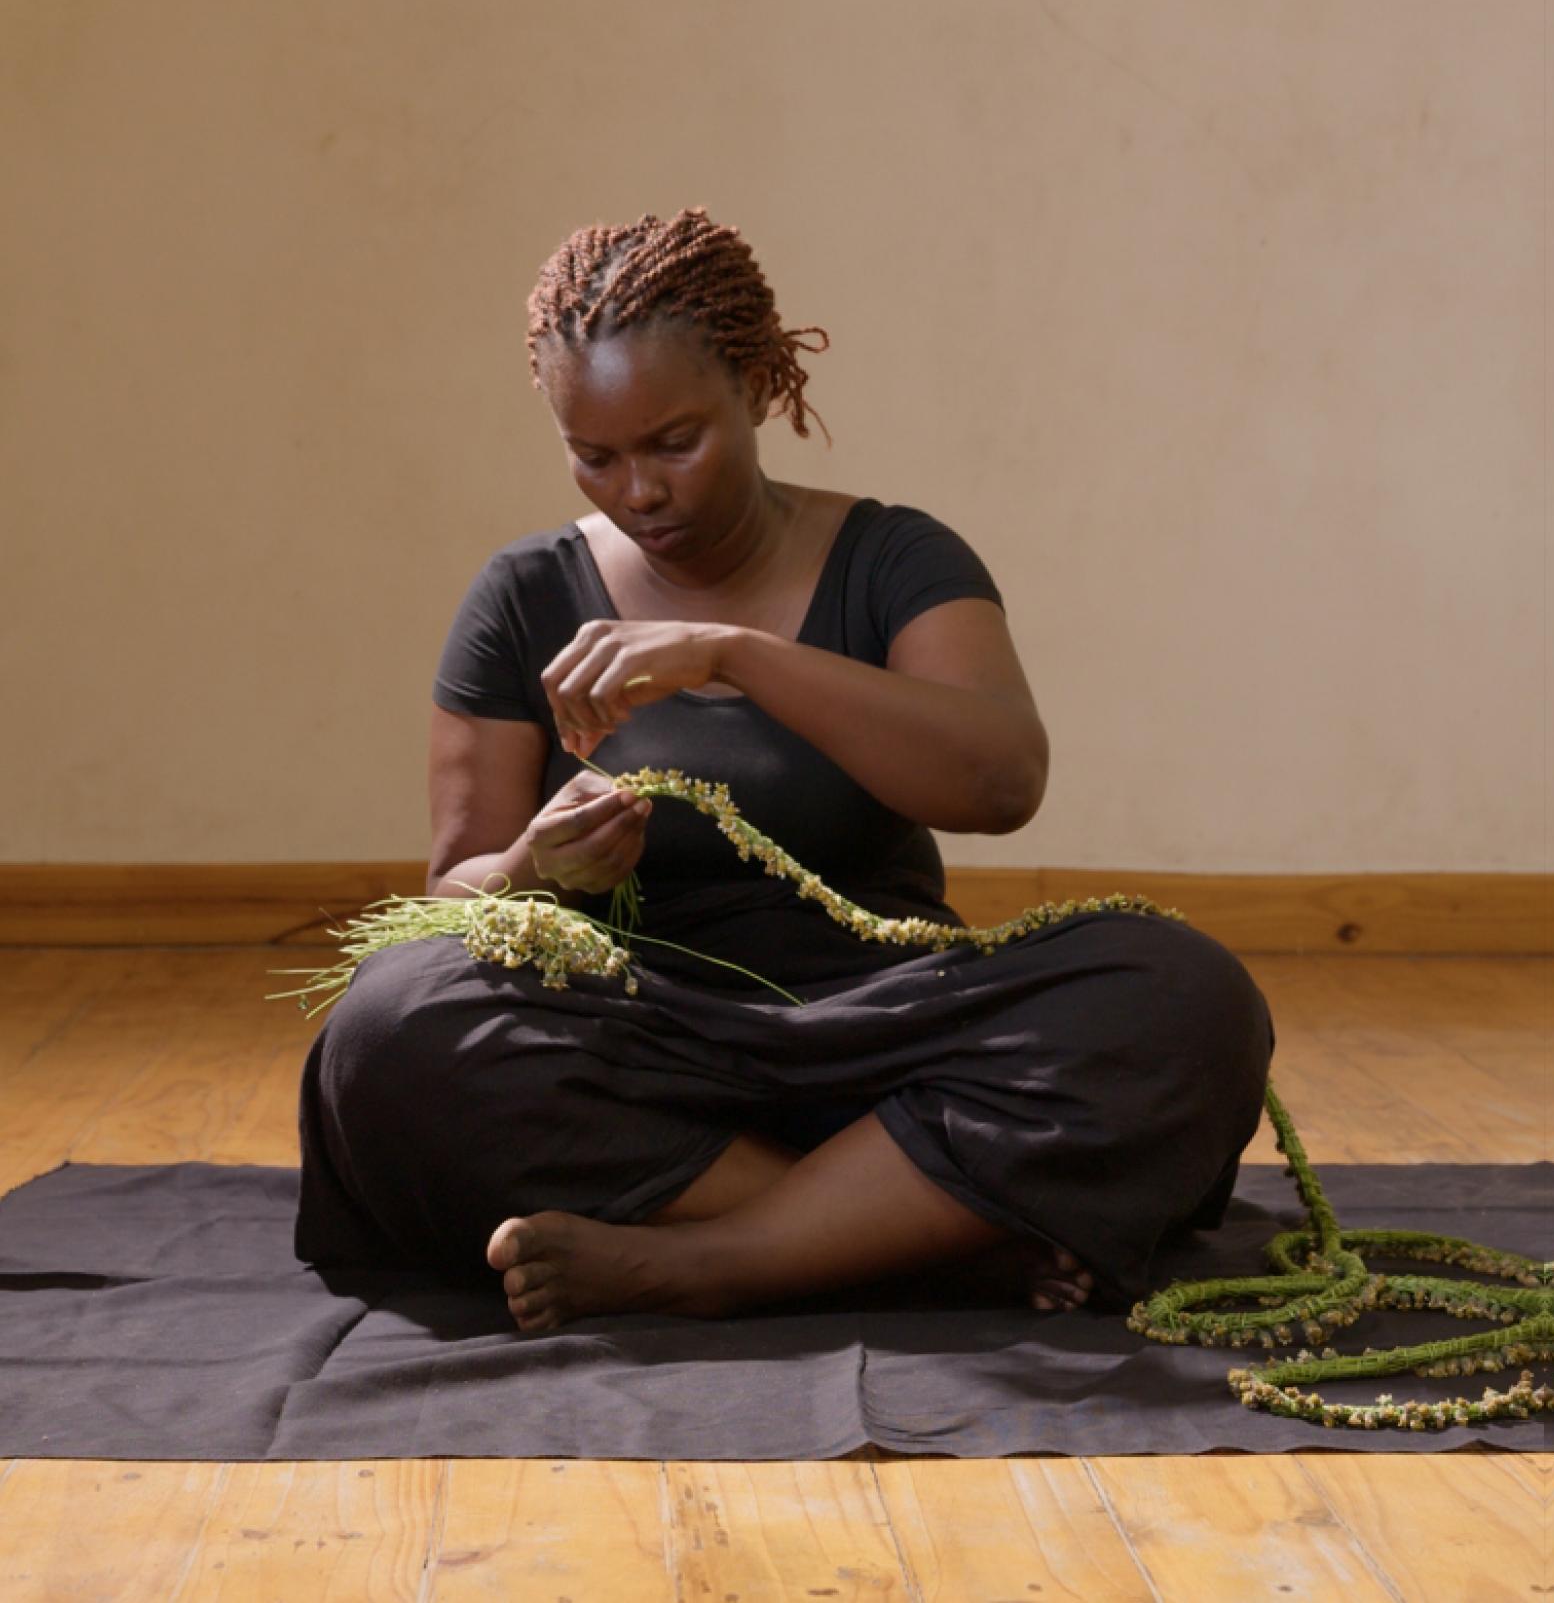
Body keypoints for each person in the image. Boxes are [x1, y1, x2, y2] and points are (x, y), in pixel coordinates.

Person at [296, 209, 1273, 1332]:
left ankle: (716, 1263)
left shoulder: (898, 558)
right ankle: (917, 1245)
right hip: (642, 1051)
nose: (639, 492)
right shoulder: (522, 596)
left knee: (1182, 997)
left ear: (760, 386)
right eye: (594, 456)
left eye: (674, 443)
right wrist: (533, 865)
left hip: (885, 1033)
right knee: (390, 1025)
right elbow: (450, 902)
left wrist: (737, 656)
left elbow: (1001, 783)